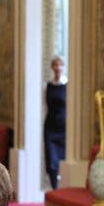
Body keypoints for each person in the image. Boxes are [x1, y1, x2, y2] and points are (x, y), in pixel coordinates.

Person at [43, 55, 67, 190]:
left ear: (63, 67)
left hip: (64, 127)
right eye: (55, 65)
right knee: (52, 160)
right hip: (50, 126)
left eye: (60, 65)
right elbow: (44, 106)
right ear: (52, 67)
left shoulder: (68, 85)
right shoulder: (46, 86)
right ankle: (54, 188)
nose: (58, 68)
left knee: (63, 159)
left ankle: (63, 188)